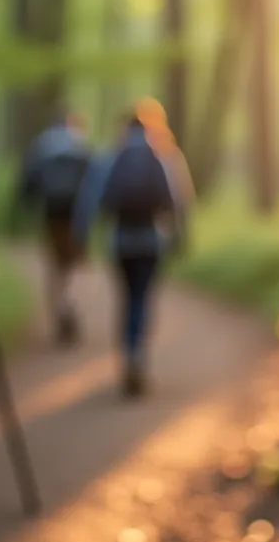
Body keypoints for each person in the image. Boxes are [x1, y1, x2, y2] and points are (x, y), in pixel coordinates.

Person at [72, 99, 193, 398]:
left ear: (124, 127)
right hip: (152, 240)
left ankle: (128, 355)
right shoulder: (166, 155)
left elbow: (89, 200)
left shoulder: (110, 156)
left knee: (126, 299)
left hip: (120, 240)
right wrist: (182, 236)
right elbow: (181, 200)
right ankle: (138, 356)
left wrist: (82, 236)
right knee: (142, 298)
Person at [17, 111, 94, 346]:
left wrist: (25, 208)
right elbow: (94, 180)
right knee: (71, 262)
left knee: (54, 263)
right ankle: (68, 304)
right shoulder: (80, 144)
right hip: (75, 214)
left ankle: (60, 308)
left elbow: (28, 180)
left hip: (51, 212)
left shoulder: (43, 145)